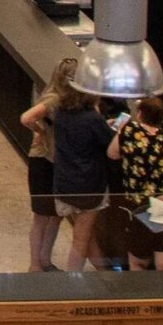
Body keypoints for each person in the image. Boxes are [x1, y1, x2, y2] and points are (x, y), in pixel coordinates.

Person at [109, 97, 163, 271]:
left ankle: (139, 295)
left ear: (140, 114)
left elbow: (112, 154)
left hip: (138, 203)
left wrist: (121, 133)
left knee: (138, 261)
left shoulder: (129, 130)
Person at [50, 83, 114, 272]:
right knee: (81, 238)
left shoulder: (60, 113)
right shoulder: (93, 119)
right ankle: (73, 284)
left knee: (87, 234)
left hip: (63, 183)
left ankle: (105, 276)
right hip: (88, 185)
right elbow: (110, 145)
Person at [20, 57, 75, 273]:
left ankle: (45, 259)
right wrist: (41, 131)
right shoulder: (53, 100)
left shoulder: (70, 101)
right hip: (43, 161)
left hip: (58, 161)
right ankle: (35, 263)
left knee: (57, 215)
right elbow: (26, 118)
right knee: (42, 216)